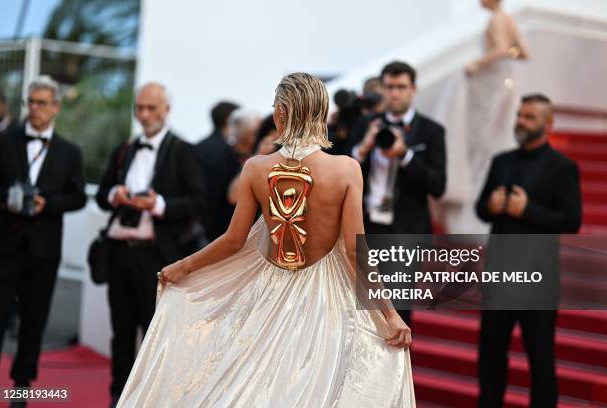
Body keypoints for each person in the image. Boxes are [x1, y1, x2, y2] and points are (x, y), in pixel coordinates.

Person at [116, 73, 415, 407]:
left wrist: (184, 266)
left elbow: (233, 240)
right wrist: (390, 315)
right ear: (319, 112)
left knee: (252, 388)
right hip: (326, 301)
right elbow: (352, 252)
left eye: (275, 106)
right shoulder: (346, 169)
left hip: (267, 293)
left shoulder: (256, 168)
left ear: (282, 114)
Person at [95, 82, 205, 407]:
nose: (144, 115)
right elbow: (102, 195)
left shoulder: (183, 150)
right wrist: (116, 195)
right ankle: (118, 397)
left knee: (155, 334)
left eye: (151, 108)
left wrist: (158, 205)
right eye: (139, 108)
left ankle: (152, 399)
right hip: (120, 254)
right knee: (121, 332)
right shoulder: (124, 150)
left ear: (166, 110)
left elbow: (199, 201)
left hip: (159, 257)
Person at [475, 94, 581, 407]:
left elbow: (571, 220)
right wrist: (491, 206)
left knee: (541, 359)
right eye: (520, 115)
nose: (520, 122)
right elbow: (481, 209)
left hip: (538, 279)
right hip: (500, 275)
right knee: (490, 357)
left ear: (547, 124)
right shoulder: (501, 161)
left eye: (529, 117)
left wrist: (528, 210)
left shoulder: (562, 167)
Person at [0, 76, 86, 398]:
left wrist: (50, 204)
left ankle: (21, 390)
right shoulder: (3, 142)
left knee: (34, 323)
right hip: (3, 247)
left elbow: (78, 197)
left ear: (56, 107)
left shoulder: (69, 152)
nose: (35, 108)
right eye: (30, 102)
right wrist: (7, 197)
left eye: (42, 103)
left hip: (43, 250)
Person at [348, 61, 446, 325]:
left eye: (401, 87)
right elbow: (346, 169)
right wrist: (364, 147)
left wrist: (406, 155)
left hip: (405, 233)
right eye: (389, 87)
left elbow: (438, 185)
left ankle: (397, 367)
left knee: (397, 314)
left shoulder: (432, 131)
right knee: (360, 313)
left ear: (413, 89)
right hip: (365, 228)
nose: (394, 93)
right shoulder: (366, 124)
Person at [447, 0, 530, 233]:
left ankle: (473, 206)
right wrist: (506, 55)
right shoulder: (508, 19)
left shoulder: (497, 19)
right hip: (504, 83)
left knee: (480, 147)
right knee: (491, 143)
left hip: (491, 87)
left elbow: (503, 50)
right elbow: (521, 52)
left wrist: (476, 63)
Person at [196, 101, 241, 241]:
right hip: (221, 227)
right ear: (229, 120)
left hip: (198, 224)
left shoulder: (198, 147)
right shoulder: (229, 152)